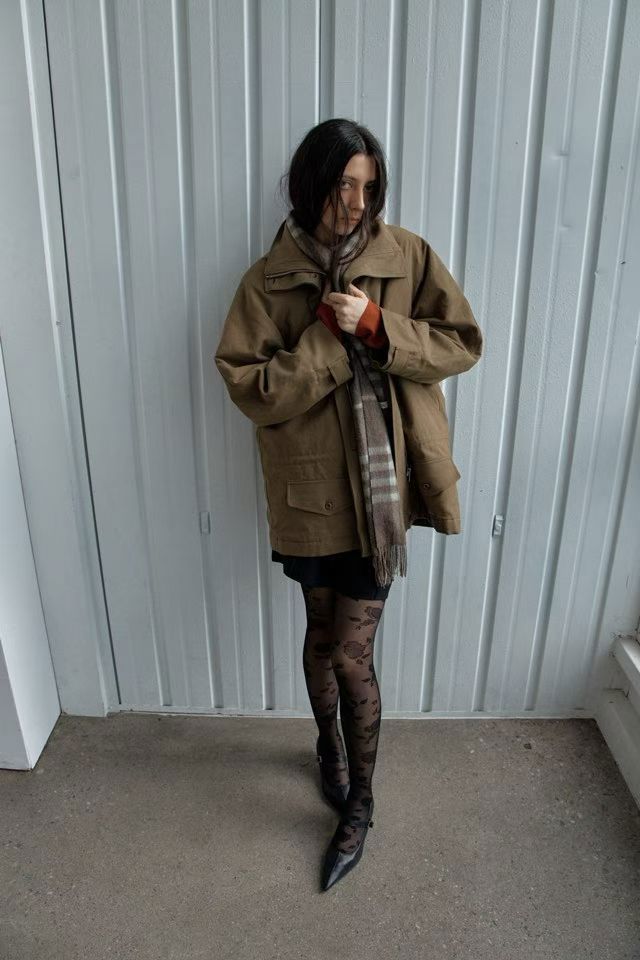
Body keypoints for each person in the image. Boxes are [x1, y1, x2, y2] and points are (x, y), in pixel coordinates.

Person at [214, 118, 483, 891]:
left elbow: (461, 343)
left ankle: (360, 802)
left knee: (349, 652)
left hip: (380, 499)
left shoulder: (408, 258)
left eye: (369, 187)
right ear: (311, 186)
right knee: (319, 633)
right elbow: (249, 386)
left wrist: (376, 327)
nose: (357, 204)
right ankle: (328, 752)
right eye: (342, 187)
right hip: (308, 497)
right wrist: (329, 347)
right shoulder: (267, 281)